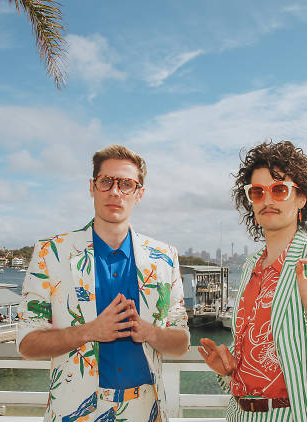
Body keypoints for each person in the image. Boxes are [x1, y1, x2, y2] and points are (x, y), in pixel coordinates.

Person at [17, 144, 189, 422]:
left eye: (126, 184)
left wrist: (149, 332)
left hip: (146, 411)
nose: (115, 191)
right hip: (76, 413)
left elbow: (181, 343)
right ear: (92, 187)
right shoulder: (51, 252)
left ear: (139, 193)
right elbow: (27, 343)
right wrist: (90, 331)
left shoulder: (164, 258)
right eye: (106, 181)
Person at [199, 140, 307, 421]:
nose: (267, 199)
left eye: (279, 189)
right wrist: (228, 369)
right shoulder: (250, 266)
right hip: (241, 415)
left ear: (301, 198)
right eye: (257, 191)